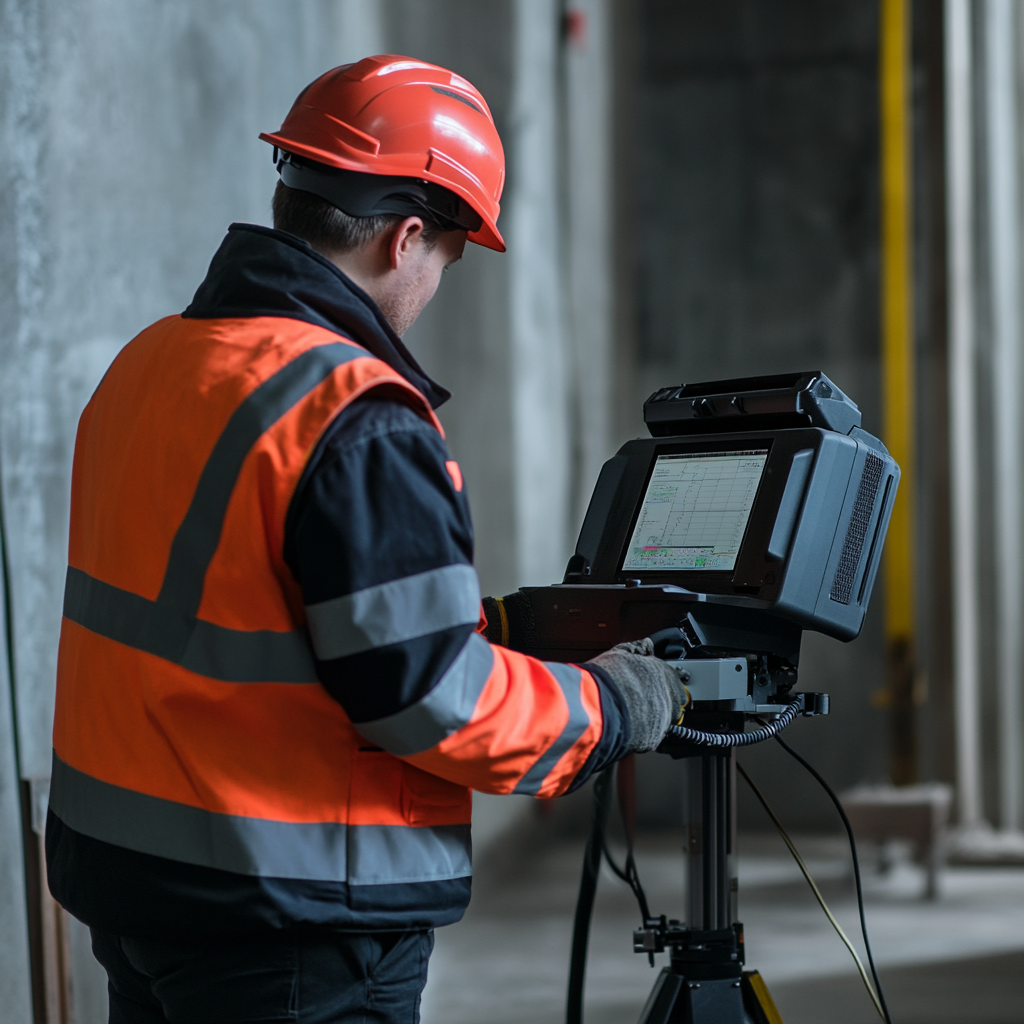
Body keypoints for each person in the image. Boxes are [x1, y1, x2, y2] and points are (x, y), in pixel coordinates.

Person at [46, 55, 684, 1024]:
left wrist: (484, 623)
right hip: (291, 923)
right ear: (407, 236)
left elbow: (235, 601)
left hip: (140, 890)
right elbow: (434, 700)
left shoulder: (153, 362)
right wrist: (613, 706)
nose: (437, 283)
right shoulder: (351, 416)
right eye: (449, 257)